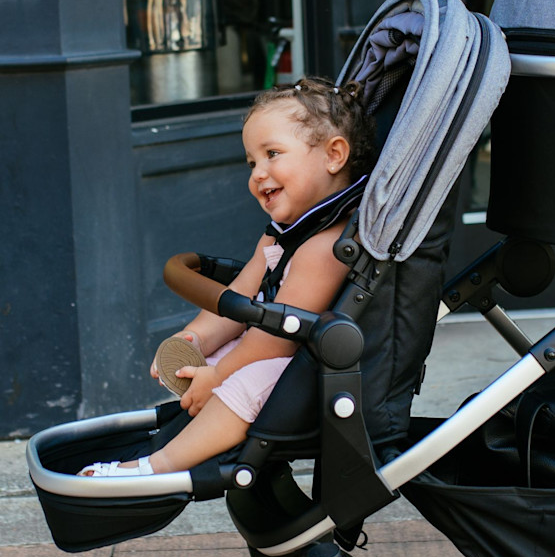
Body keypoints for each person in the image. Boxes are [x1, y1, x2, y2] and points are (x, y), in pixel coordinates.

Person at [80, 78, 375, 477]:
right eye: (252, 162)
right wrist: (195, 340)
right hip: (280, 358)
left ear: (334, 155)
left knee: (242, 377)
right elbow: (238, 298)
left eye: (272, 153)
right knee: (216, 362)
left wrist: (218, 375)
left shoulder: (326, 248)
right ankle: (174, 440)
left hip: (317, 375)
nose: (258, 173)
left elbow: (275, 340)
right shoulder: (282, 233)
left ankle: (158, 466)